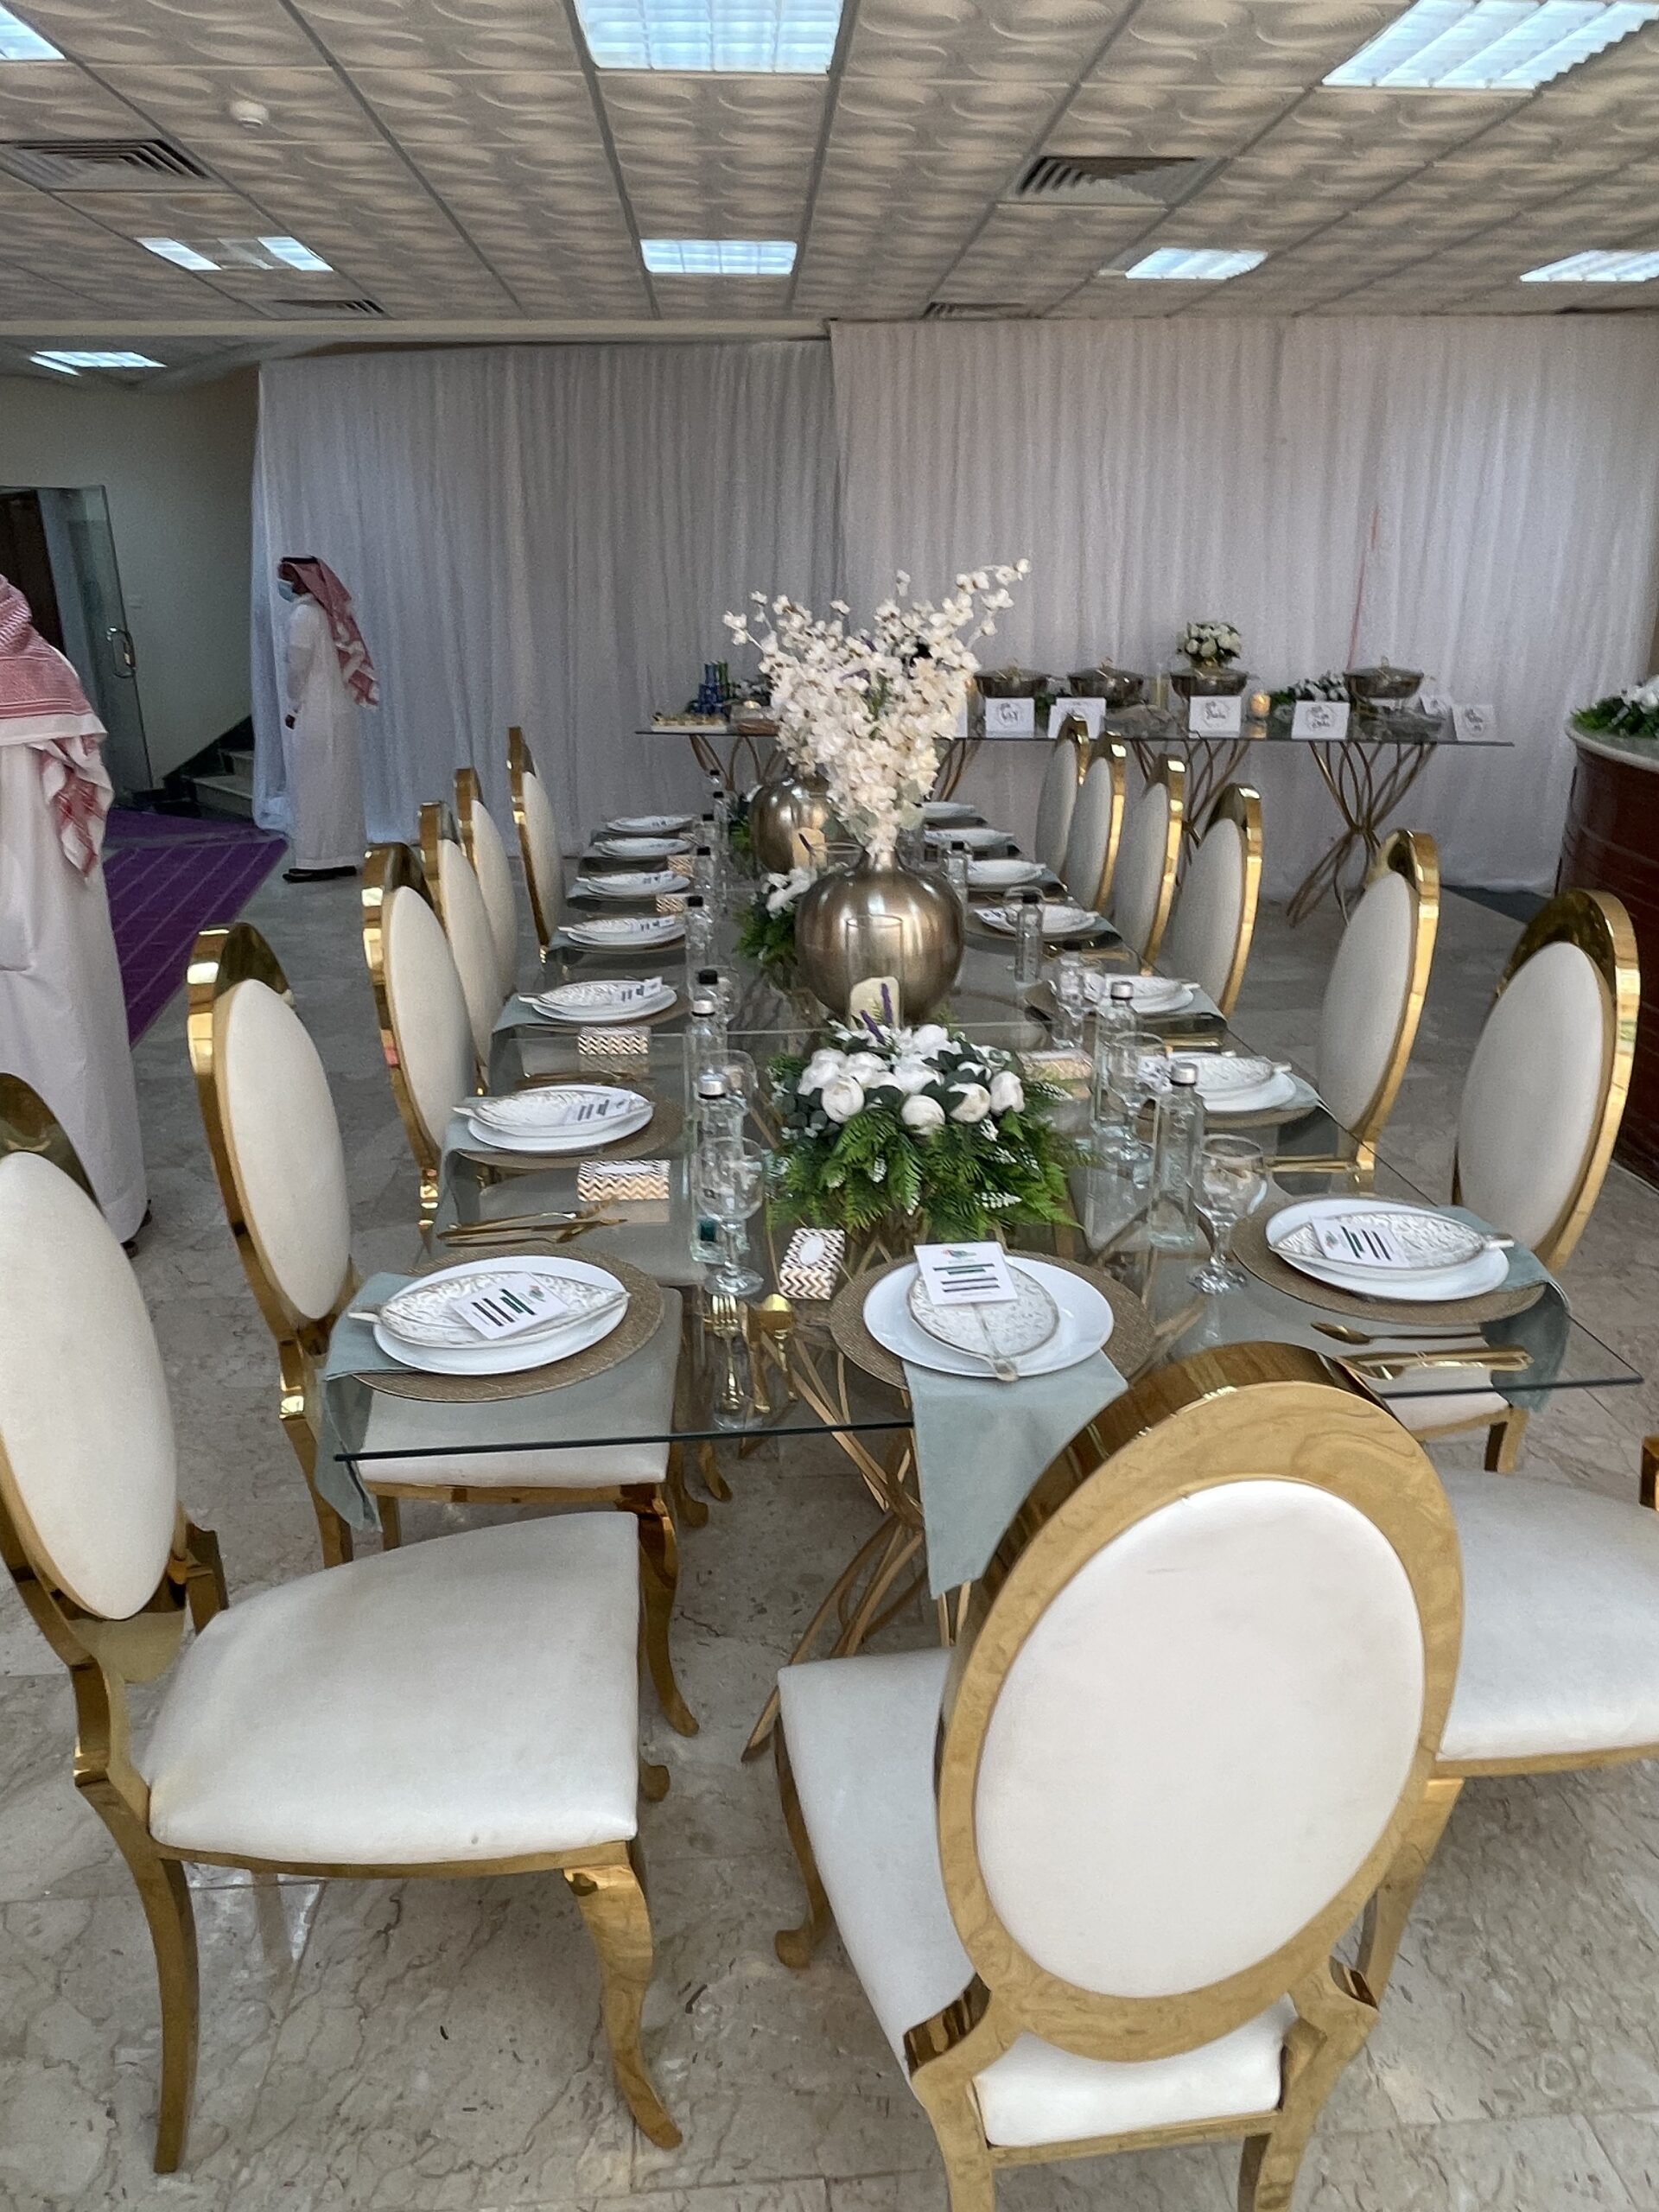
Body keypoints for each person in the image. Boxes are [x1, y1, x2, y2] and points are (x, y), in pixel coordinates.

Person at [0, 572, 147, 1241]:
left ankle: (61, 1233)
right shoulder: (48, 661)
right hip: (66, 898)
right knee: (85, 1049)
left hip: (16, 908)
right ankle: (118, 1202)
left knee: (37, 1062)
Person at [276, 555, 377, 882]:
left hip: (316, 712)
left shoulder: (304, 616)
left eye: (289, 577)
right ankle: (342, 854)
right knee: (339, 784)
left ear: (303, 580)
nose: (286, 585)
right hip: (339, 710)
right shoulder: (326, 615)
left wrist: (293, 707)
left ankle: (316, 859)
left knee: (314, 785)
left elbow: (298, 669)